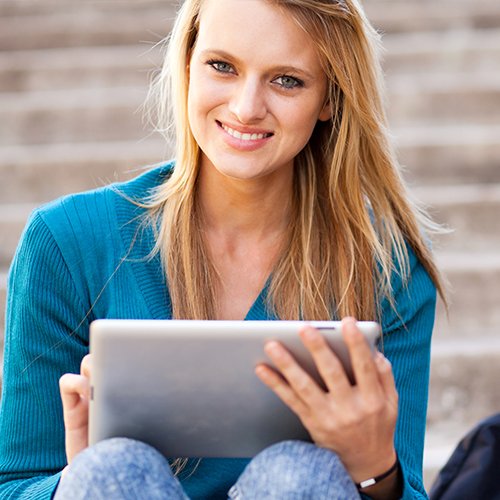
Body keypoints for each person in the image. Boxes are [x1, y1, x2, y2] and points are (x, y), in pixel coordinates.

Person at [0, 0, 446, 498]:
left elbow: (401, 487)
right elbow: (14, 483)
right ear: (188, 63)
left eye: (287, 80)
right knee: (113, 473)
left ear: (330, 98)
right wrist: (77, 484)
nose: (245, 107)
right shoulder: (66, 243)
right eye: (222, 66)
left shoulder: (388, 263)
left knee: (303, 476)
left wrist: (373, 468)